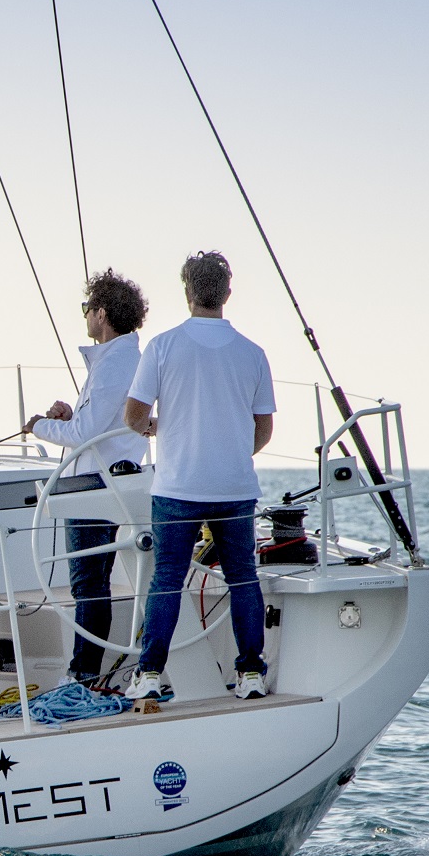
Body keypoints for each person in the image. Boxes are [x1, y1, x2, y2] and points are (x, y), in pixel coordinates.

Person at [121, 250, 275, 702]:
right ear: (227, 293)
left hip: (177, 487)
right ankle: (250, 674)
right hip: (234, 487)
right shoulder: (253, 354)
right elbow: (263, 429)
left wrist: (156, 428)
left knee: (167, 579)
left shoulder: (162, 347)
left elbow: (133, 416)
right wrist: (229, 454)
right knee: (242, 578)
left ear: (187, 291)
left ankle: (150, 674)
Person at [26, 270, 149, 685]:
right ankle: (86, 674)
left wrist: (40, 426)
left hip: (95, 486)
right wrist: (68, 416)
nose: (85, 316)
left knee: (88, 585)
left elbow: (85, 434)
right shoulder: (120, 359)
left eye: (87, 308)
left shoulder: (114, 362)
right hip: (107, 480)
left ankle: (82, 677)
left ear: (102, 313)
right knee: (93, 583)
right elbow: (97, 424)